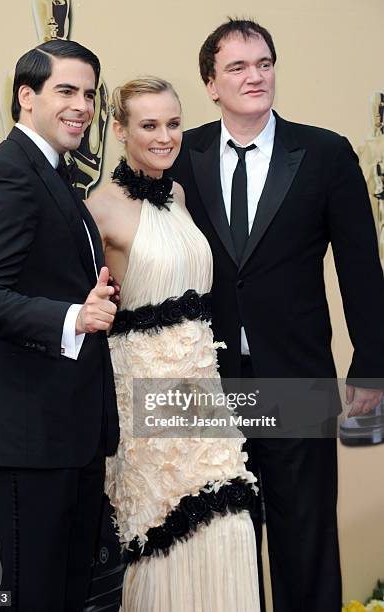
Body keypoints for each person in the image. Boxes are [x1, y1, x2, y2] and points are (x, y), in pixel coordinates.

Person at [170, 18, 384, 612]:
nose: (254, 76)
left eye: (263, 63)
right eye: (236, 67)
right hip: (205, 385)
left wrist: (371, 362)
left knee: (306, 543)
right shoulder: (180, 154)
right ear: (210, 84)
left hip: (296, 377)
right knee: (223, 544)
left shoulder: (324, 153)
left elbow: (362, 267)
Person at [0, 40, 119, 612]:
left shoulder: (55, 176)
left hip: (68, 432)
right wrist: (76, 315)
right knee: (32, 597)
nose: (82, 106)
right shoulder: (5, 174)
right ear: (27, 97)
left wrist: (92, 298)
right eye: (66, 91)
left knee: (69, 596)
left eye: (90, 94)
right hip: (29, 436)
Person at [86, 77, 260, 612]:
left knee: (228, 526)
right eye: (149, 125)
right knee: (167, 536)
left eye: (173, 123)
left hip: (200, 388)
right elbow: (84, 305)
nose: (165, 137)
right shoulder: (99, 207)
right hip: (143, 393)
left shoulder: (179, 195)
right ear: (120, 130)